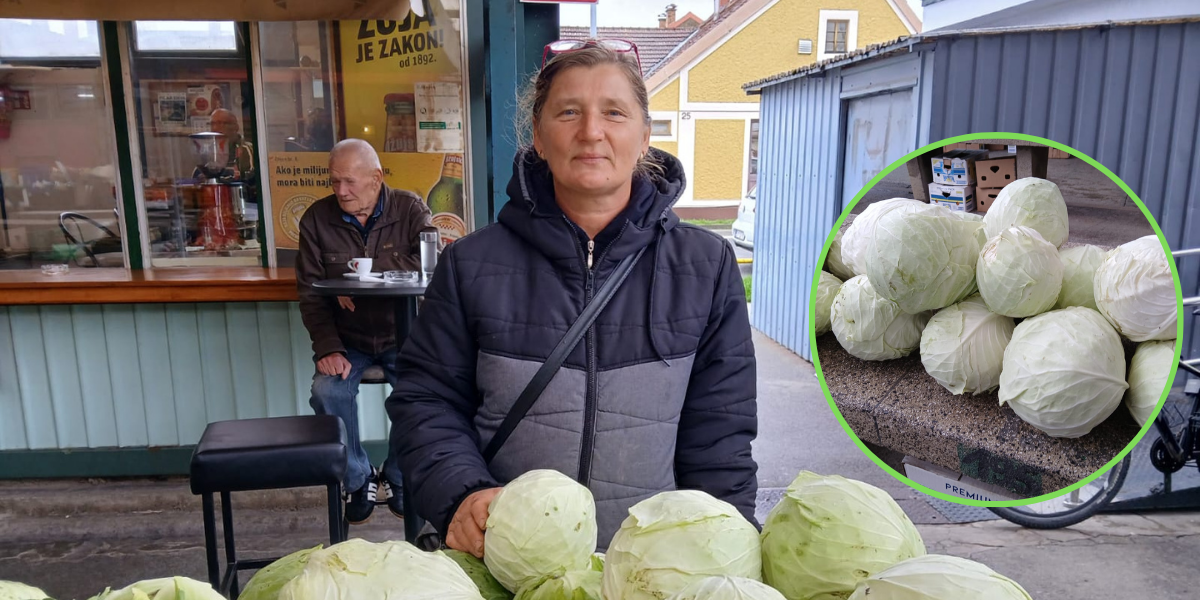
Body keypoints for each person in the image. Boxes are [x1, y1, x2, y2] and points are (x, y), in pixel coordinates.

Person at [385, 40, 757, 555]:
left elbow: (721, 434)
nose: (591, 132)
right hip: (508, 559)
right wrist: (460, 495)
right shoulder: (470, 265)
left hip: (651, 567)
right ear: (538, 136)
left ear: (645, 135)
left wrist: (732, 548)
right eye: (568, 112)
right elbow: (426, 402)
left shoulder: (705, 267)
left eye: (614, 112)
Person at [296, 138, 439, 524]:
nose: (340, 191)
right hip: (348, 339)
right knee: (327, 391)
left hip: (405, 335)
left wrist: (358, 276)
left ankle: (398, 475)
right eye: (334, 181)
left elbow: (428, 261)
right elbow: (311, 293)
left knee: (423, 395)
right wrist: (328, 347)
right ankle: (358, 479)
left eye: (349, 182)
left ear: (376, 178)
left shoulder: (410, 208)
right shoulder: (316, 219)